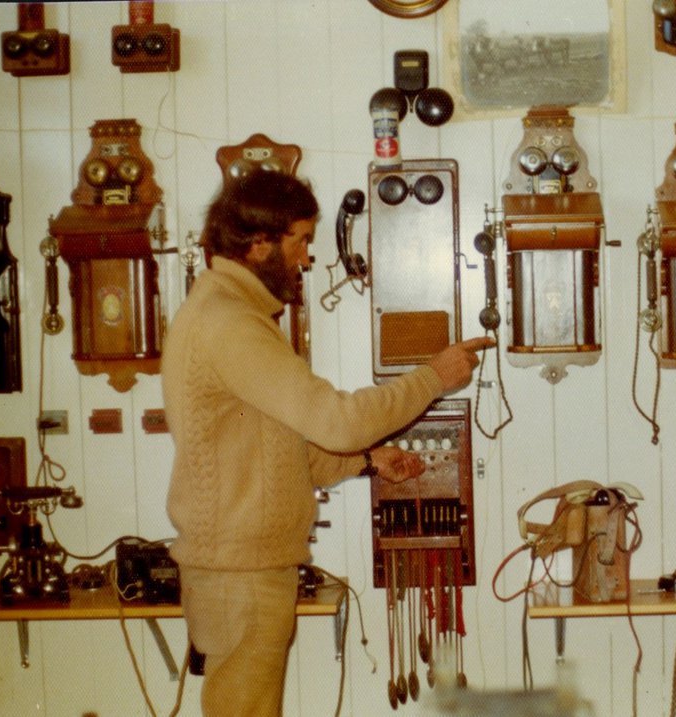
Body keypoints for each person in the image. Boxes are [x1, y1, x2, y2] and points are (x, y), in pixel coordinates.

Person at [161, 170, 493, 717]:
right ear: (258, 241)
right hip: (241, 574)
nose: (307, 258)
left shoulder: (232, 314)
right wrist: (433, 377)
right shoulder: (228, 322)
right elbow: (337, 420)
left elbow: (285, 442)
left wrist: (367, 461)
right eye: (301, 240)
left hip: (246, 567)